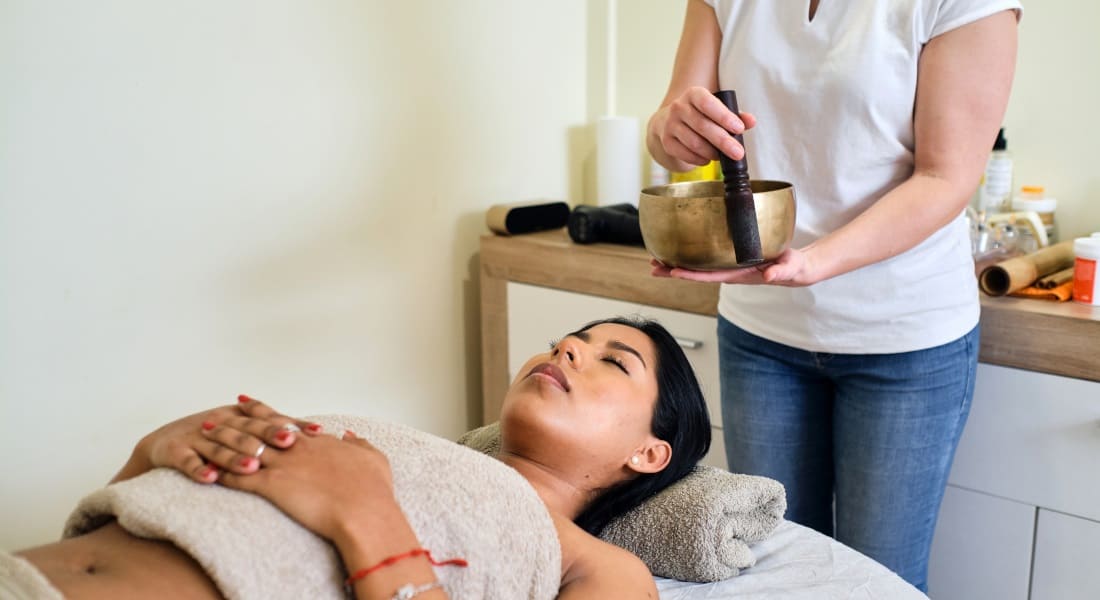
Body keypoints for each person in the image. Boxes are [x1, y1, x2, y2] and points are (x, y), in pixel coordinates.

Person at [645, 0, 1020, 591]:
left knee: (876, 582)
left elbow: (946, 176)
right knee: (771, 572)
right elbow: (673, 135)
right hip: (760, 333)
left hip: (903, 340)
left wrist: (813, 262)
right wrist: (672, 130)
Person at [11, 316, 711, 599]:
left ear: (651, 453)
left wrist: (363, 512)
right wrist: (150, 458)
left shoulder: (598, 564)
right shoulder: (412, 446)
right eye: (569, 341)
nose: (566, 350)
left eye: (611, 363)